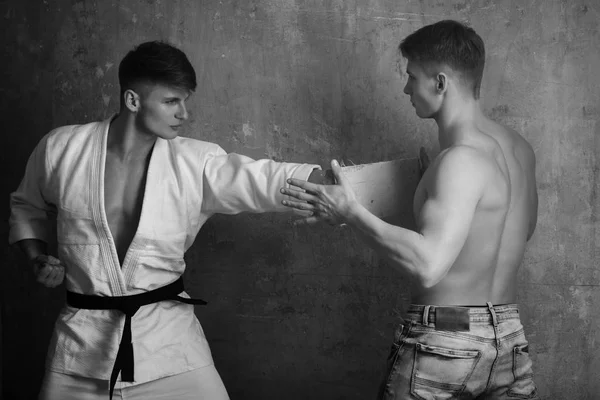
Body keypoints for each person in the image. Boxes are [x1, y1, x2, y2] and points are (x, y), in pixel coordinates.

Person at [9, 41, 326, 400]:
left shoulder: (196, 161)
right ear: (133, 101)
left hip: (169, 346)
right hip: (81, 350)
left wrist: (342, 188)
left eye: (184, 100)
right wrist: (36, 257)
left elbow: (262, 178)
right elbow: (25, 206)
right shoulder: (61, 149)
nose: (184, 113)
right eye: (171, 101)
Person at [281, 20, 540, 399]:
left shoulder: (459, 161)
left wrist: (352, 212)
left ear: (440, 82)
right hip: (508, 337)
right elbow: (508, 233)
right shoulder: (518, 150)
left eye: (412, 77)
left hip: (447, 339)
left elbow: (429, 265)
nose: (406, 88)